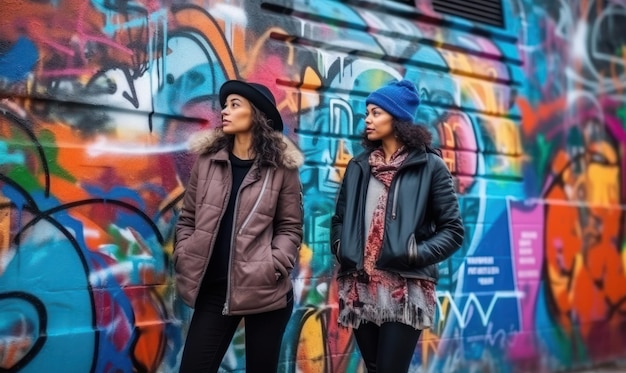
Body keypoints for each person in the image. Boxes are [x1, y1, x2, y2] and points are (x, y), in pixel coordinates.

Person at [331, 79, 464, 372]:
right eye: (367, 112)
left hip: (405, 288)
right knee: (375, 367)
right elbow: (339, 219)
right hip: (360, 286)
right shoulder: (359, 166)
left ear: (398, 117)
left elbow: (453, 231)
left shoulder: (430, 166)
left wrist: (415, 253)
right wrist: (342, 248)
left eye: (376, 112)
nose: (367, 119)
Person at [174, 79, 304, 373]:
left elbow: (290, 228)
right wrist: (185, 251)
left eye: (235, 105)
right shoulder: (208, 161)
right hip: (215, 290)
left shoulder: (281, 168)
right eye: (225, 105)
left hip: (265, 291)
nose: (225, 111)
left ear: (256, 114)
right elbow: (188, 218)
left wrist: (272, 265)